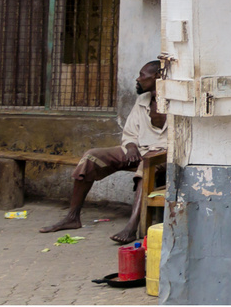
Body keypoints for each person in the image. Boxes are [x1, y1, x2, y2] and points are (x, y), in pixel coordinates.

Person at [39, 60, 167, 244]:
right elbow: (130, 133)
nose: (138, 79)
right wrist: (130, 145)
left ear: (156, 77)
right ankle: (72, 217)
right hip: (140, 149)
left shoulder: (176, 103)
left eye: (142, 76)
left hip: (164, 154)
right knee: (91, 157)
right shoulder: (142, 100)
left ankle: (131, 227)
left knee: (145, 166)